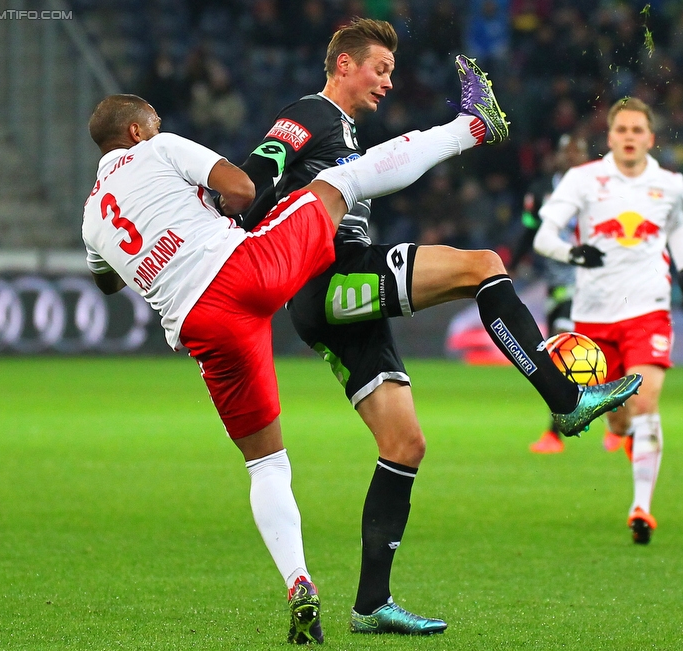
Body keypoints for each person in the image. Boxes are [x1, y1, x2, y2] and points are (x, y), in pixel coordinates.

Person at [80, 90, 634, 645]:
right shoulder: (165, 148)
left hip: (202, 327)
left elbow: (105, 279)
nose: (388, 81)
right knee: (343, 183)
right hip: (249, 272)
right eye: (153, 124)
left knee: (275, 464)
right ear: (134, 132)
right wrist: (206, 205)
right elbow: (244, 189)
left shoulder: (91, 217)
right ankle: (474, 129)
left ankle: (311, 586)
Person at [238, 19, 641, 635]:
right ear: (343, 65)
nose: (388, 82)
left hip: (334, 298)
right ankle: (565, 399)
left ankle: (372, 605)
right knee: (483, 267)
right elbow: (261, 166)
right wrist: (236, 203)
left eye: (393, 72)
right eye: (379, 68)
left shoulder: (343, 132)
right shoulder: (309, 113)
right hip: (328, 278)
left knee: (404, 445)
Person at [533, 97, 683, 545]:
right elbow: (544, 235)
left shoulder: (670, 184)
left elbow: (679, 229)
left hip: (648, 308)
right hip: (594, 317)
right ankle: (623, 435)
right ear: (610, 137)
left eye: (637, 130)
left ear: (650, 137)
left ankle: (641, 507)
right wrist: (573, 252)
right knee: (619, 421)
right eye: (621, 130)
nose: (629, 137)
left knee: (645, 404)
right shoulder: (584, 180)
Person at [508, 133, 590, 455]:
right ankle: (555, 432)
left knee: (605, 352)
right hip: (561, 285)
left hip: (598, 285)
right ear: (556, 156)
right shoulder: (542, 190)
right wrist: (512, 264)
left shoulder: (599, 190)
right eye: (566, 150)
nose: (572, 156)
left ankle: (621, 427)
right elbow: (530, 229)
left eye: (578, 150)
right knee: (561, 355)